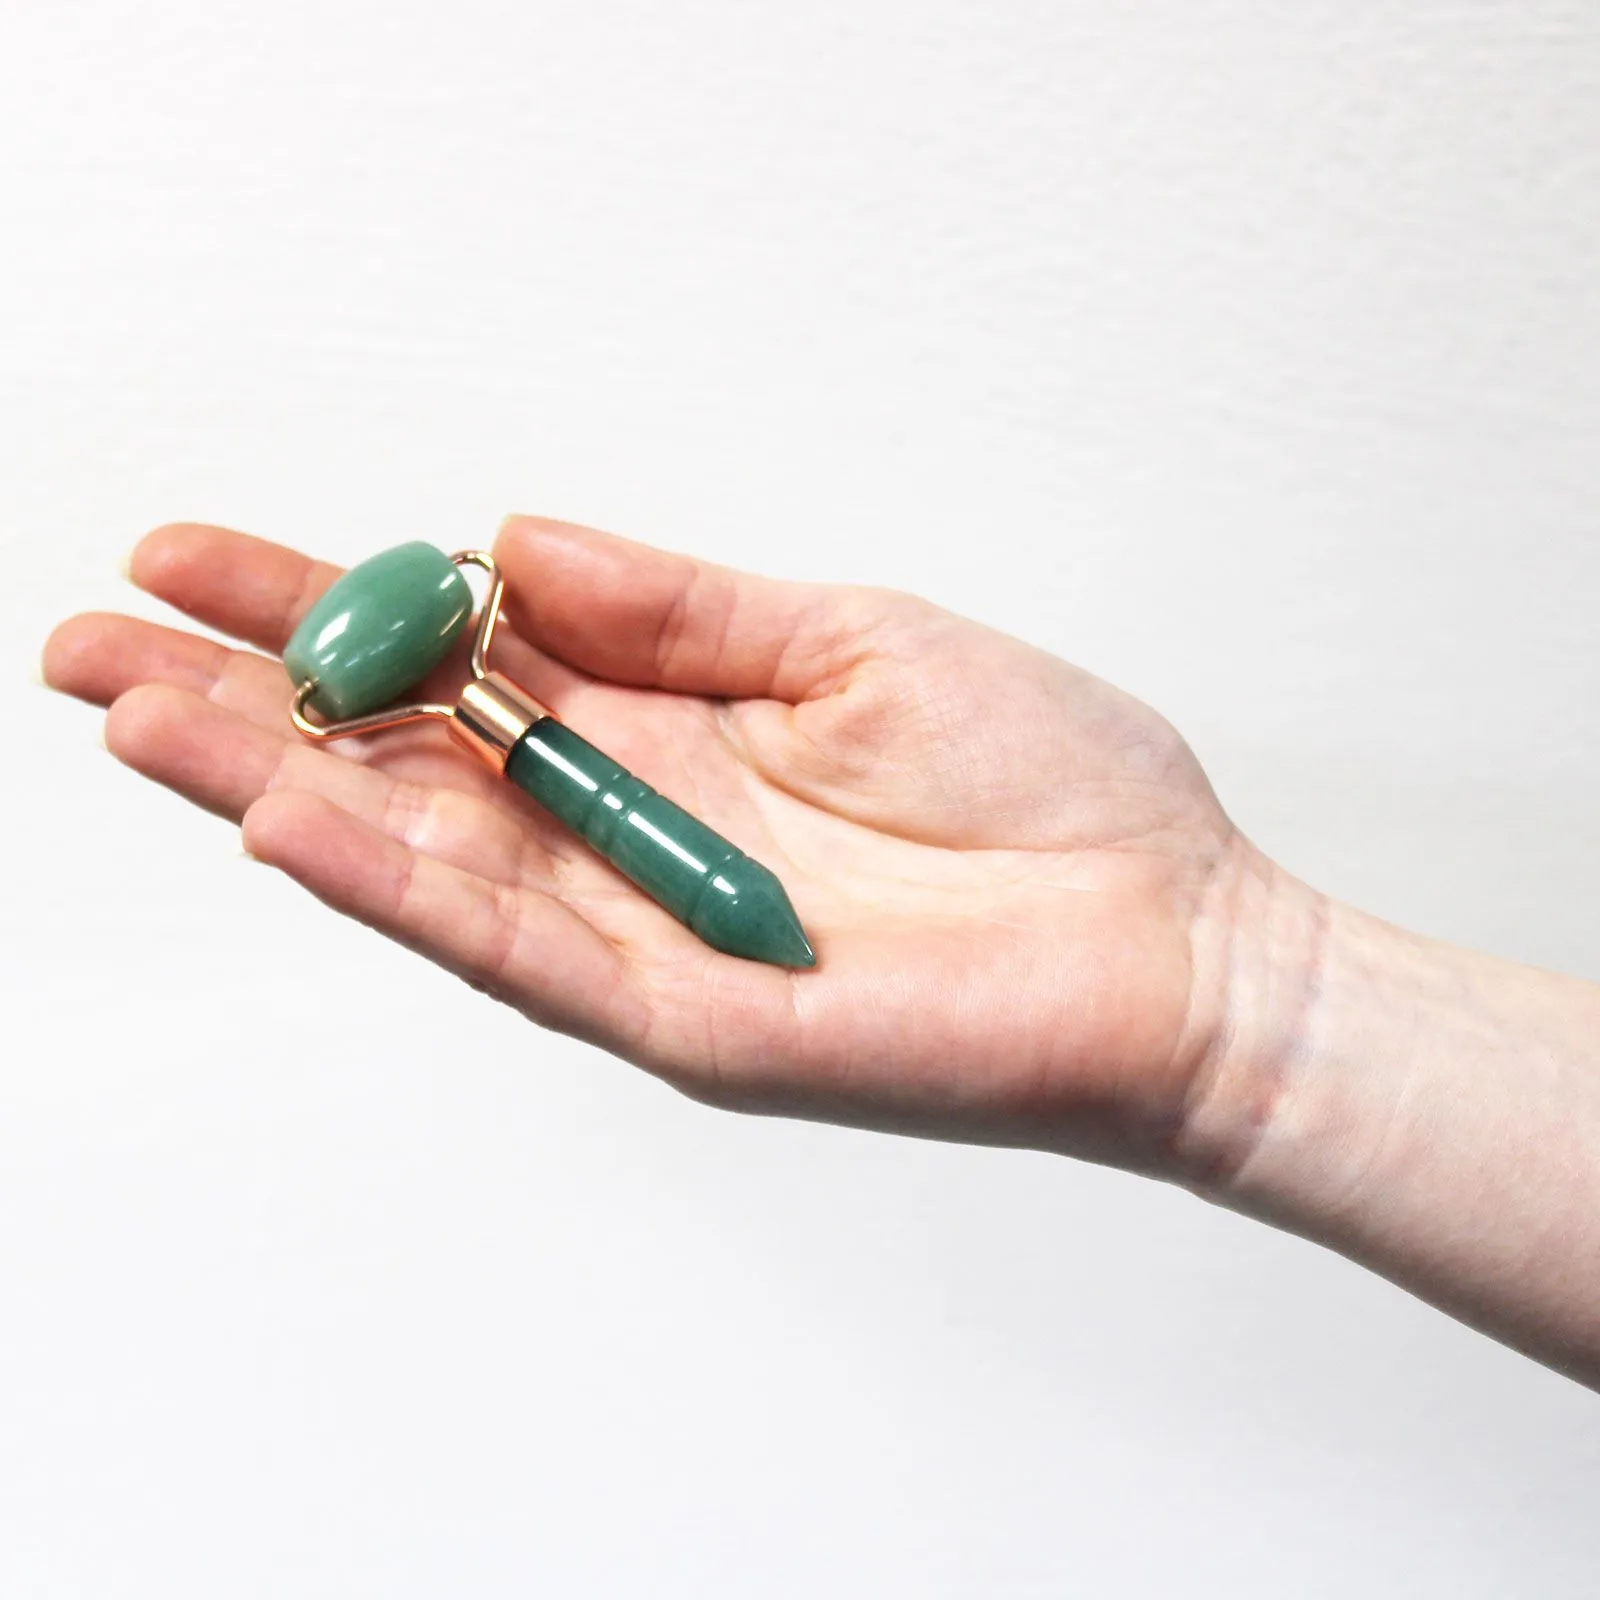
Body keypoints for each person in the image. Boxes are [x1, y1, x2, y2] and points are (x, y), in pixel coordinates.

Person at [43, 516, 1600, 1389]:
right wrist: (1249, 1007)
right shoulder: (456, 662)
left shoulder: (445, 674)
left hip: (627, 819)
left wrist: (1248, 996)